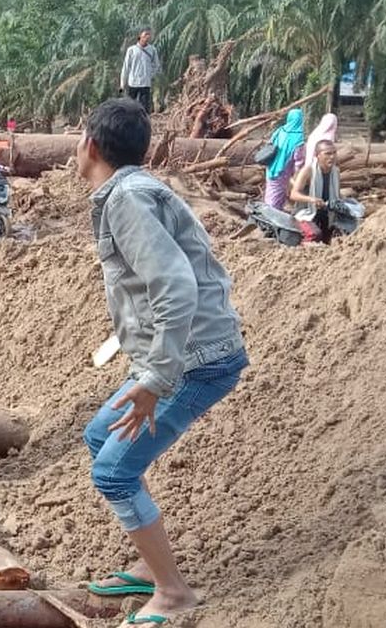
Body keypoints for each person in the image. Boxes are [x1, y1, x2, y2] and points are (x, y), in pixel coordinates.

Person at [76, 98, 248, 627]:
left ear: (91, 146)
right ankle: (154, 568)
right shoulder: (133, 191)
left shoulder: (127, 198)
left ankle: (172, 593)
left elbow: (175, 285)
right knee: (101, 439)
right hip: (178, 355)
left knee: (113, 472)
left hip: (194, 362)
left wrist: (153, 379)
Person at [289, 138, 341, 244]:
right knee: (315, 235)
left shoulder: (335, 171)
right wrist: (311, 199)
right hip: (305, 213)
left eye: (334, 153)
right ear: (317, 155)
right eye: (327, 154)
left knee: (341, 232)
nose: (332, 157)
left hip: (326, 213)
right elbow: (293, 194)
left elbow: (336, 195)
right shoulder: (308, 171)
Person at [264, 108, 305, 210]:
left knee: (272, 190)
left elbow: (270, 143)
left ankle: (269, 211)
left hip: (271, 166)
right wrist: (297, 175)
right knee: (277, 194)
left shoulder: (280, 130)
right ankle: (270, 215)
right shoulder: (298, 138)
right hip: (284, 170)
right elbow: (298, 161)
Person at [120, 28, 161, 113]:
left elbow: (156, 65)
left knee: (144, 107)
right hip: (133, 83)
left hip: (145, 83)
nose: (147, 37)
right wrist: (122, 83)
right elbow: (126, 67)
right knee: (130, 106)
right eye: (145, 34)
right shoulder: (131, 50)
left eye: (148, 35)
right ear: (140, 36)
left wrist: (150, 75)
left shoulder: (152, 50)